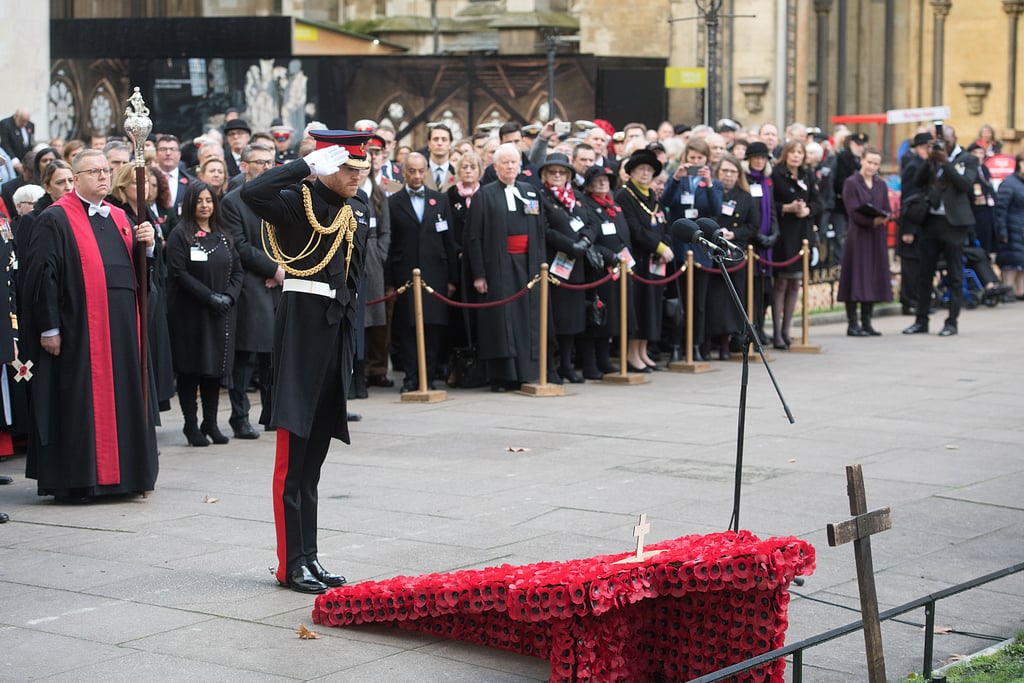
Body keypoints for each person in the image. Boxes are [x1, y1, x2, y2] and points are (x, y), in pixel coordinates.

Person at [241, 129, 373, 594]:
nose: (358, 177)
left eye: (362, 169)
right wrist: (302, 166)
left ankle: (310, 556)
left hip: (334, 331)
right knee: (292, 461)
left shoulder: (356, 210)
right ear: (326, 167)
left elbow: (355, 279)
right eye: (349, 169)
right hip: (300, 329)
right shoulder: (297, 200)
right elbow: (250, 193)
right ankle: (288, 563)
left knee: (314, 461)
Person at [22, 149, 158, 501]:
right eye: (93, 171)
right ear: (76, 178)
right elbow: (42, 277)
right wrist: (49, 327)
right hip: (79, 329)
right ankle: (81, 479)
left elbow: (139, 274)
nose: (102, 176)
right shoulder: (56, 219)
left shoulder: (120, 217)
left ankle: (128, 476)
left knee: (125, 395)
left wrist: (148, 247)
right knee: (80, 401)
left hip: (122, 329)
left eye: (106, 170)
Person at [464, 143, 547, 392]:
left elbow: (540, 231)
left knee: (525, 319)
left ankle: (525, 372)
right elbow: (474, 238)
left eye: (514, 162)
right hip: (498, 266)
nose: (510, 167)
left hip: (527, 265)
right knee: (501, 320)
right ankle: (501, 376)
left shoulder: (530, 191)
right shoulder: (484, 195)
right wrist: (479, 273)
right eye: (505, 163)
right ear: (496, 166)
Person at [166, 182, 242, 446]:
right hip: (191, 313)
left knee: (214, 370)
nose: (205, 205)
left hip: (221, 313)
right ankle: (190, 424)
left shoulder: (223, 233)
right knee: (191, 371)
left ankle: (210, 422)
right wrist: (208, 297)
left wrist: (229, 296)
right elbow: (178, 272)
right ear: (190, 204)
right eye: (199, 201)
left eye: (209, 200)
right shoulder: (180, 234)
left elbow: (238, 270)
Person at [221, 142, 281, 438]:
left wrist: (283, 269)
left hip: (280, 284)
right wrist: (274, 270)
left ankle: (271, 412)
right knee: (247, 355)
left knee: (275, 355)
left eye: (271, 162)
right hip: (251, 285)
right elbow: (240, 246)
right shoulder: (232, 201)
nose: (268, 168)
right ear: (244, 166)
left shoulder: (281, 196)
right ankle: (239, 416)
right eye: (261, 162)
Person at [107, 163, 176, 412]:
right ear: (123, 187)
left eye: (146, 182)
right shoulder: (119, 212)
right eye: (137, 182)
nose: (143, 186)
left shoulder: (147, 210)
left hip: (154, 283)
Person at [386, 152, 456, 393]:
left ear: (426, 172)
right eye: (411, 171)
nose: (416, 176)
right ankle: (411, 377)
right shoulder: (393, 202)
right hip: (405, 275)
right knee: (408, 328)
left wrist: (452, 279)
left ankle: (429, 375)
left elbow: (449, 241)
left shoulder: (440, 200)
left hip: (435, 274)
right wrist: (389, 283)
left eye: (420, 171)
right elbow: (390, 243)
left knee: (433, 328)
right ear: (404, 173)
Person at [903, 125, 978, 337]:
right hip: (931, 221)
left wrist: (946, 162)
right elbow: (917, 181)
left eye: (946, 141)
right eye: (939, 141)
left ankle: (951, 321)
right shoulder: (932, 158)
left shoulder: (967, 159)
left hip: (954, 224)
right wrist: (930, 160)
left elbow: (965, 185)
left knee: (955, 275)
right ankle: (921, 319)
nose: (942, 145)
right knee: (924, 273)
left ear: (954, 139)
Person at [537, 153, 600, 384]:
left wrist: (585, 241)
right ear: (545, 174)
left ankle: (567, 364)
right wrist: (570, 245)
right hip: (555, 266)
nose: (557, 176)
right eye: (553, 172)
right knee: (556, 319)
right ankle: (552, 366)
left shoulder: (578, 198)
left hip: (577, 265)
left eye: (562, 172)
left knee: (574, 319)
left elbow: (593, 223)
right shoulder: (542, 197)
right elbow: (545, 230)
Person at [662, 138, 722, 362]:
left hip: (701, 249)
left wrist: (707, 183)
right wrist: (676, 179)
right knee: (679, 301)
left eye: (700, 158)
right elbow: (667, 201)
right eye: (692, 158)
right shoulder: (678, 179)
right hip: (680, 246)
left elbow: (715, 209)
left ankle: (695, 344)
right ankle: (676, 345)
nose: (695, 162)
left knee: (699, 303)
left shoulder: (712, 184)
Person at [615, 149, 673, 372]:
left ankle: (643, 350)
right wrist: (658, 246)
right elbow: (635, 229)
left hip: (656, 261)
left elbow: (663, 224)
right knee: (638, 306)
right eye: (641, 170)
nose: (646, 174)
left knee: (652, 306)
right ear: (631, 172)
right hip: (637, 259)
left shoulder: (652, 196)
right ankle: (632, 353)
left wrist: (665, 245)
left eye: (649, 170)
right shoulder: (625, 195)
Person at [579, 164, 634, 378]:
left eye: (605, 179)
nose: (603, 183)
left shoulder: (614, 205)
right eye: (598, 179)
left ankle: (603, 359)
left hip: (619, 268)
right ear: (589, 183)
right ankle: (590, 363)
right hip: (598, 268)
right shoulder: (586, 204)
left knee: (609, 317)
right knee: (595, 316)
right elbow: (591, 237)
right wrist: (611, 256)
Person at [706, 154, 759, 359]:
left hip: (735, 250)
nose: (728, 176)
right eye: (724, 171)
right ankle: (707, 342)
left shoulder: (745, 196)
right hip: (712, 249)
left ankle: (727, 343)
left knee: (732, 300)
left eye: (732, 172)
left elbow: (753, 225)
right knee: (713, 299)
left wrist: (734, 234)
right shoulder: (711, 191)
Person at [771, 139, 821, 349]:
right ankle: (775, 331)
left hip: (803, 232)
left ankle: (787, 329)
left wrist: (808, 209)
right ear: (786, 154)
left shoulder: (808, 175)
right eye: (793, 152)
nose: (796, 156)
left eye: (800, 152)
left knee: (796, 283)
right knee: (781, 282)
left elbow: (819, 202)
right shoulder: (776, 174)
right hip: (784, 232)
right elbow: (770, 203)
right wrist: (787, 208)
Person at [837, 147, 892, 337]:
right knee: (856, 275)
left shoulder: (880, 184)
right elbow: (852, 211)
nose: (872, 167)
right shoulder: (851, 182)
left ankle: (867, 321)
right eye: (869, 162)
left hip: (876, 235)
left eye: (876, 164)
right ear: (862, 160)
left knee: (873, 275)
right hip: (858, 235)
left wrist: (884, 218)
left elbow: (885, 206)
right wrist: (872, 220)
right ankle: (853, 323)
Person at [744, 141, 780, 346]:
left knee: (767, 291)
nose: (759, 161)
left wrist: (774, 233)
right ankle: (754, 328)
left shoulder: (767, 181)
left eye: (762, 158)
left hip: (767, 245)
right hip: (752, 242)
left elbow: (772, 209)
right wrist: (757, 234)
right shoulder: (746, 179)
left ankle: (762, 325)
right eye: (756, 158)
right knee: (754, 290)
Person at [898, 132, 933, 315]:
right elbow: (909, 199)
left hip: (923, 221)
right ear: (920, 147)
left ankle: (918, 299)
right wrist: (908, 228)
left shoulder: (926, 164)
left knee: (920, 264)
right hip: (913, 221)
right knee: (910, 265)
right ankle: (909, 300)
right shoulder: (913, 166)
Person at [994, 151, 1024, 299]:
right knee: (1011, 263)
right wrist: (1003, 231)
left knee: (1021, 263)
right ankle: (1006, 291)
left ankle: (1020, 292)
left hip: (1021, 228)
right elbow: (1000, 210)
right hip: (1011, 228)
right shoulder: (1009, 183)